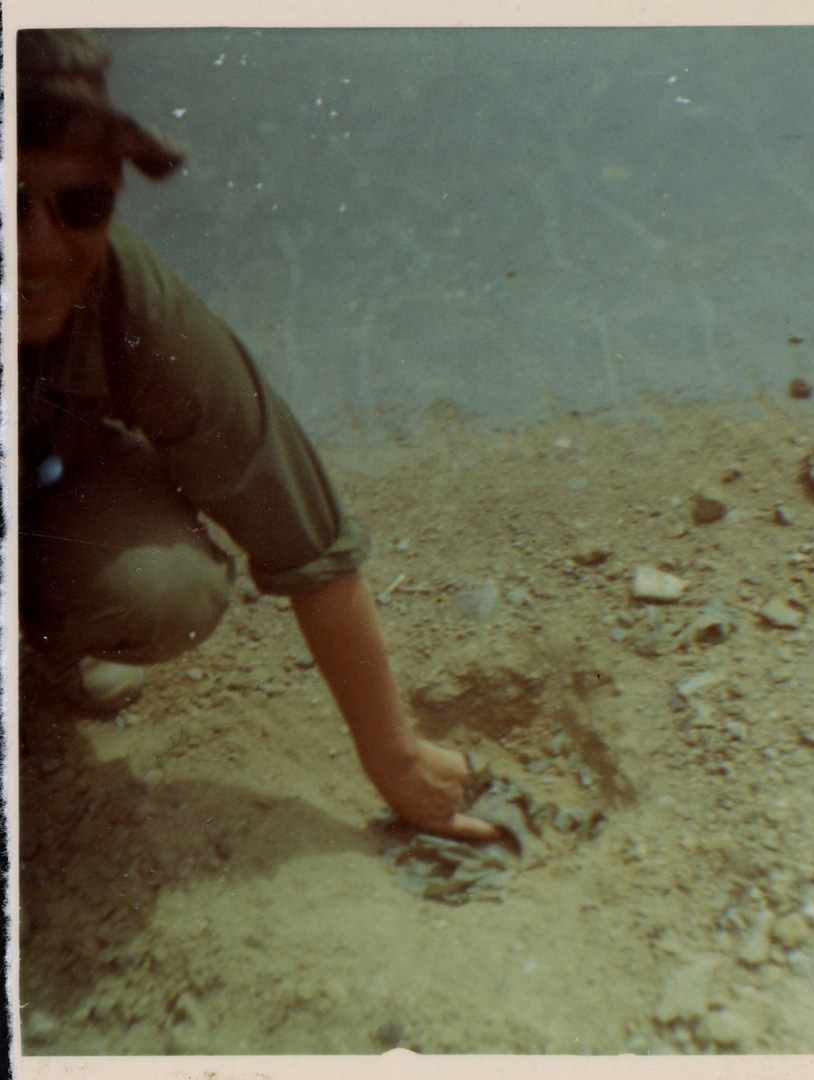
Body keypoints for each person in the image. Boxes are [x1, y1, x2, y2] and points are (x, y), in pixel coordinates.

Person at [15, 28, 497, 843]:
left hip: (37, 479)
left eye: (81, 204)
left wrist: (397, 762)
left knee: (168, 589)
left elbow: (299, 528)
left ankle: (55, 621)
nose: (35, 249)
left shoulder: (124, 291)